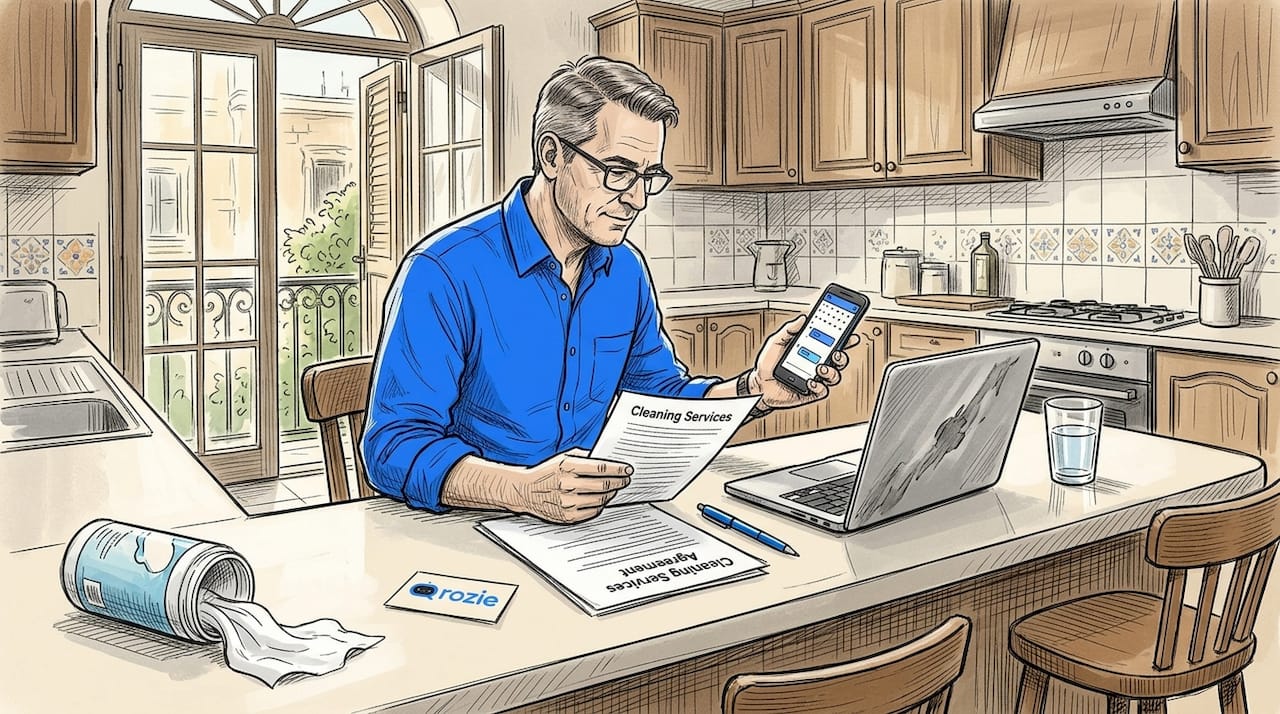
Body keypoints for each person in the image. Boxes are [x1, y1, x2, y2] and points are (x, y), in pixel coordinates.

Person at [362, 56, 853, 524]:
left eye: (649, 177)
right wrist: (522, 490)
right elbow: (393, 446)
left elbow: (661, 398)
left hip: (605, 524)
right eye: (618, 172)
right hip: (471, 531)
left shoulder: (625, 272)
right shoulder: (444, 271)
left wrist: (752, 391)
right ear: (552, 155)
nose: (637, 199)